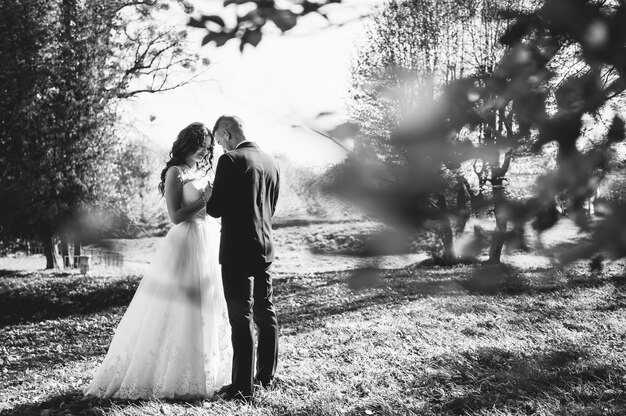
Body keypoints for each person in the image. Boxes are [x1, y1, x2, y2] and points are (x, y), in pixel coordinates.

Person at [84, 122, 231, 399]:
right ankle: (165, 373)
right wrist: (205, 201)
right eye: (202, 146)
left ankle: (204, 371)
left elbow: (211, 209)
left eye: (209, 147)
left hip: (207, 241)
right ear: (188, 144)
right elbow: (175, 216)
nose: (206, 151)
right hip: (184, 242)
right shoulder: (175, 172)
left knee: (205, 303)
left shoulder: (203, 171)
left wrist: (214, 201)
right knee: (177, 306)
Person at [205, 115, 280, 401]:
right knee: (265, 311)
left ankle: (241, 388)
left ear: (226, 133)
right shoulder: (272, 162)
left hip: (237, 251)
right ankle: (265, 377)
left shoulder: (231, 161)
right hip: (264, 249)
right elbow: (270, 207)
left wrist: (211, 194)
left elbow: (216, 209)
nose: (220, 148)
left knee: (241, 317)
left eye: (220, 141)